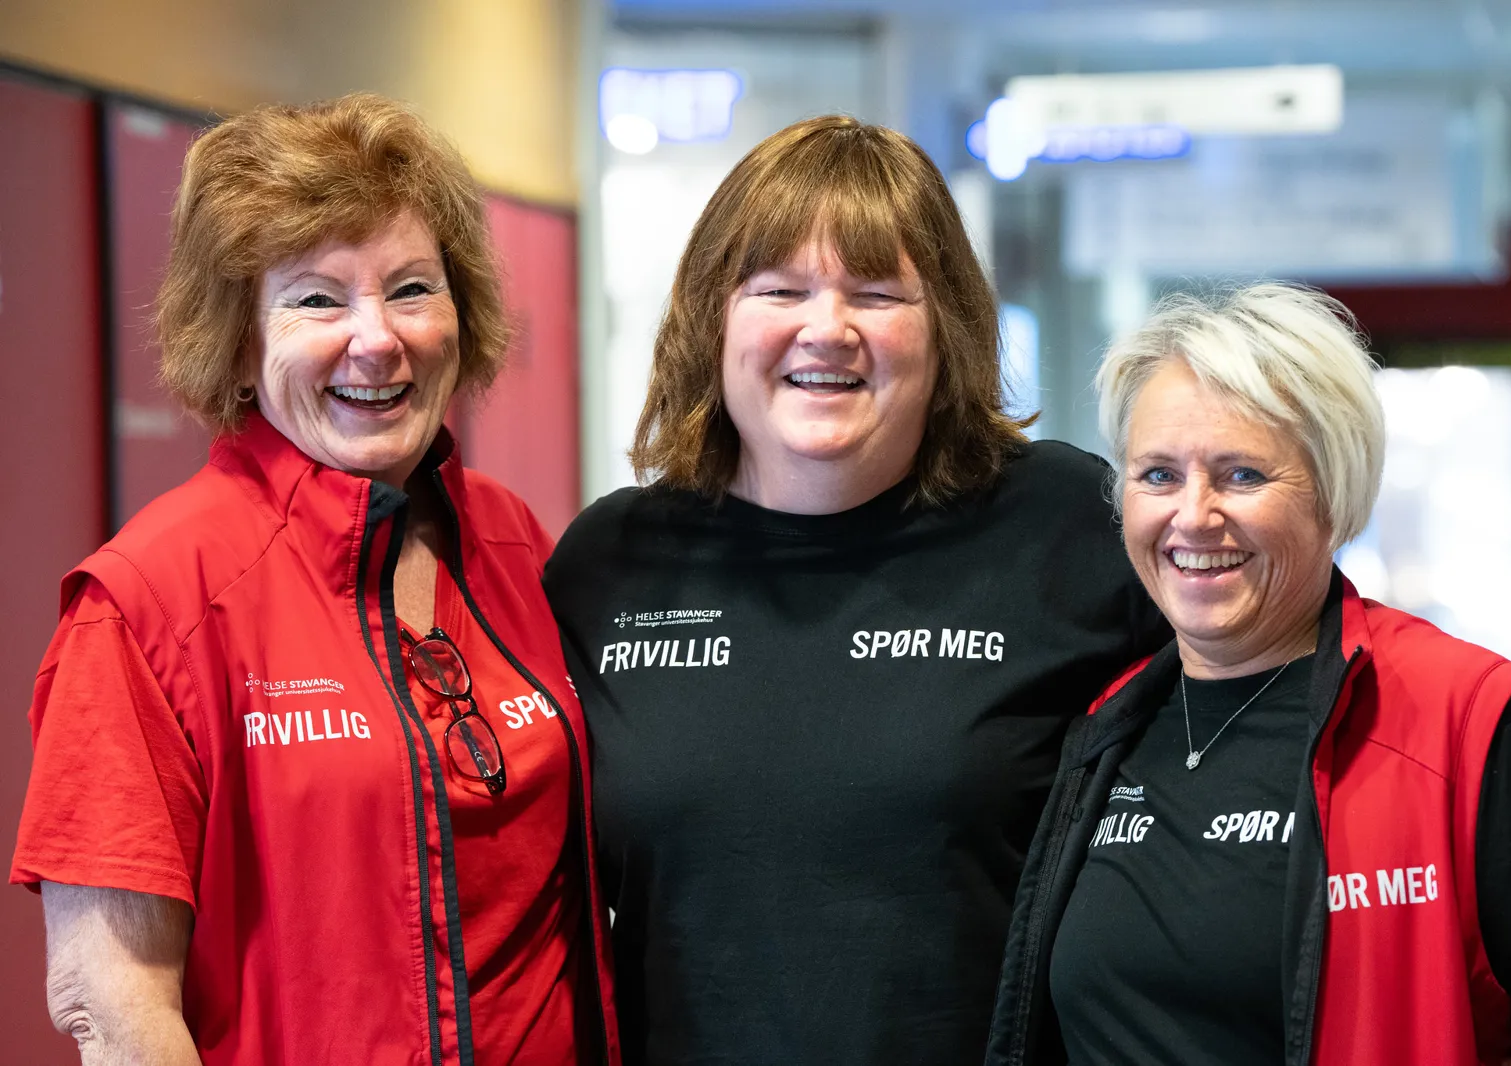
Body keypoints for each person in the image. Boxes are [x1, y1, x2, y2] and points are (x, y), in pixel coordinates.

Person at [541, 115, 1169, 1066]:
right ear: (714, 316)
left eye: (877, 293)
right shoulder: (610, 563)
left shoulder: (1072, 527)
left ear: (944, 327)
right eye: (780, 289)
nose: (825, 329)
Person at [10, 93, 618, 1066]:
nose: (375, 339)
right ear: (241, 342)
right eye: (316, 298)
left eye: (412, 288)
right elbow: (109, 995)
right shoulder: (150, 602)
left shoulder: (511, 542)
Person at [985, 283, 1511, 1066]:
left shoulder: (1476, 725)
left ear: (1333, 493)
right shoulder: (1104, 728)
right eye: (1158, 475)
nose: (1193, 515)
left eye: (1242, 475)